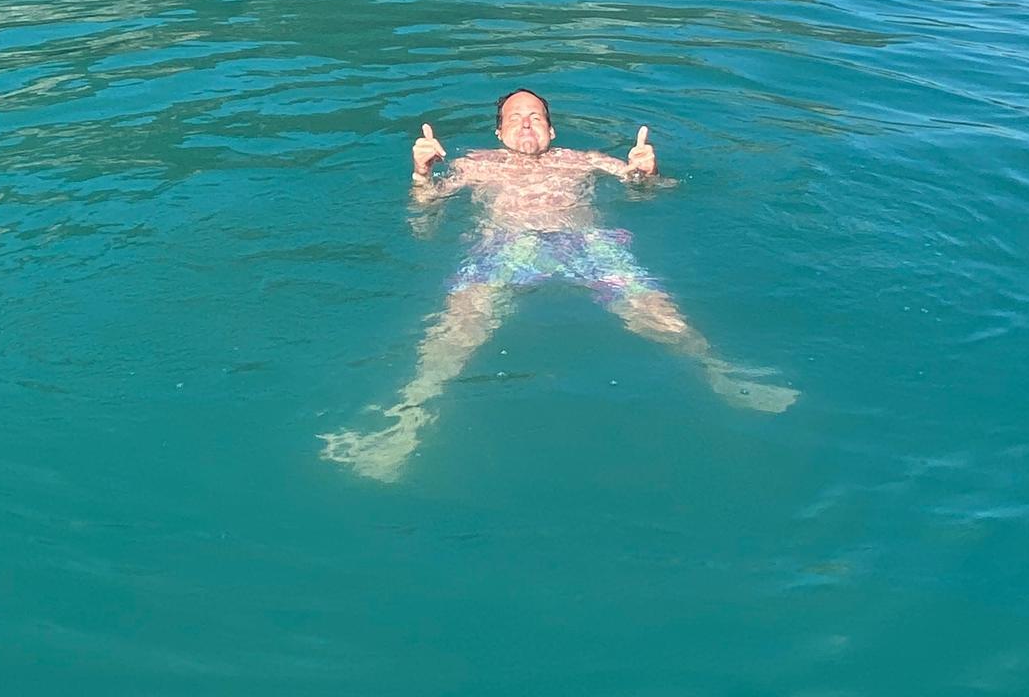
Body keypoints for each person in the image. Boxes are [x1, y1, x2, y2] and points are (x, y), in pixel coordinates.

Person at [320, 88, 799, 481]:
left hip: (585, 244)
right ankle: (405, 422)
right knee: (457, 327)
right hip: (506, 246)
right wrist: (421, 174)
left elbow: (652, 195)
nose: (526, 123)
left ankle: (720, 371)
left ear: (551, 129)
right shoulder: (473, 164)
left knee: (656, 310)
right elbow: (423, 223)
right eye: (515, 117)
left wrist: (648, 176)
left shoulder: (583, 159)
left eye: (536, 117)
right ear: (499, 130)